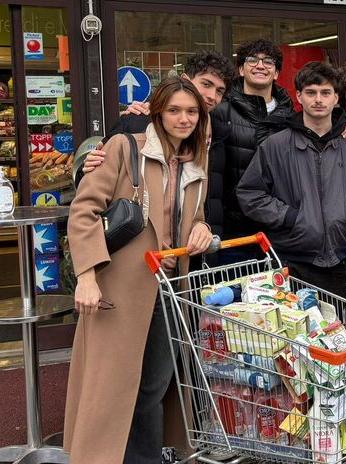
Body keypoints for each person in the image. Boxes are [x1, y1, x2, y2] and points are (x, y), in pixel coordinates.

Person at [65, 77, 212, 463]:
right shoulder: (123, 147)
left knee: (155, 384)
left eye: (192, 111)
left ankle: (144, 457)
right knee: (113, 384)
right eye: (175, 110)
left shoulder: (196, 158)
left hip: (168, 287)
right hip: (118, 286)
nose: (184, 119)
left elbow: (193, 215)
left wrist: (203, 227)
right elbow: (83, 213)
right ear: (157, 111)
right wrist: (86, 278)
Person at [237, 62, 346, 298]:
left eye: (325, 93)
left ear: (336, 98)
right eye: (311, 92)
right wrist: (290, 217)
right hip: (291, 257)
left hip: (337, 257)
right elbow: (250, 193)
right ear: (299, 96)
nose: (318, 99)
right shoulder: (276, 145)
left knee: (334, 329)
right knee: (294, 331)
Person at [80, 50, 234, 239]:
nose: (212, 96)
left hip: (197, 246)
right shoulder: (138, 122)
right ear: (185, 80)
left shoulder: (222, 132)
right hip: (140, 244)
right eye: (206, 84)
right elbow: (90, 183)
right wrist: (86, 166)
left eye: (220, 91)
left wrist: (205, 228)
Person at [210, 39, 295, 247]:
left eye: (268, 61)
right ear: (241, 69)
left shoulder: (291, 118)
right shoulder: (221, 111)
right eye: (252, 60)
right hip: (233, 230)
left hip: (278, 230)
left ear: (276, 73)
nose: (260, 65)